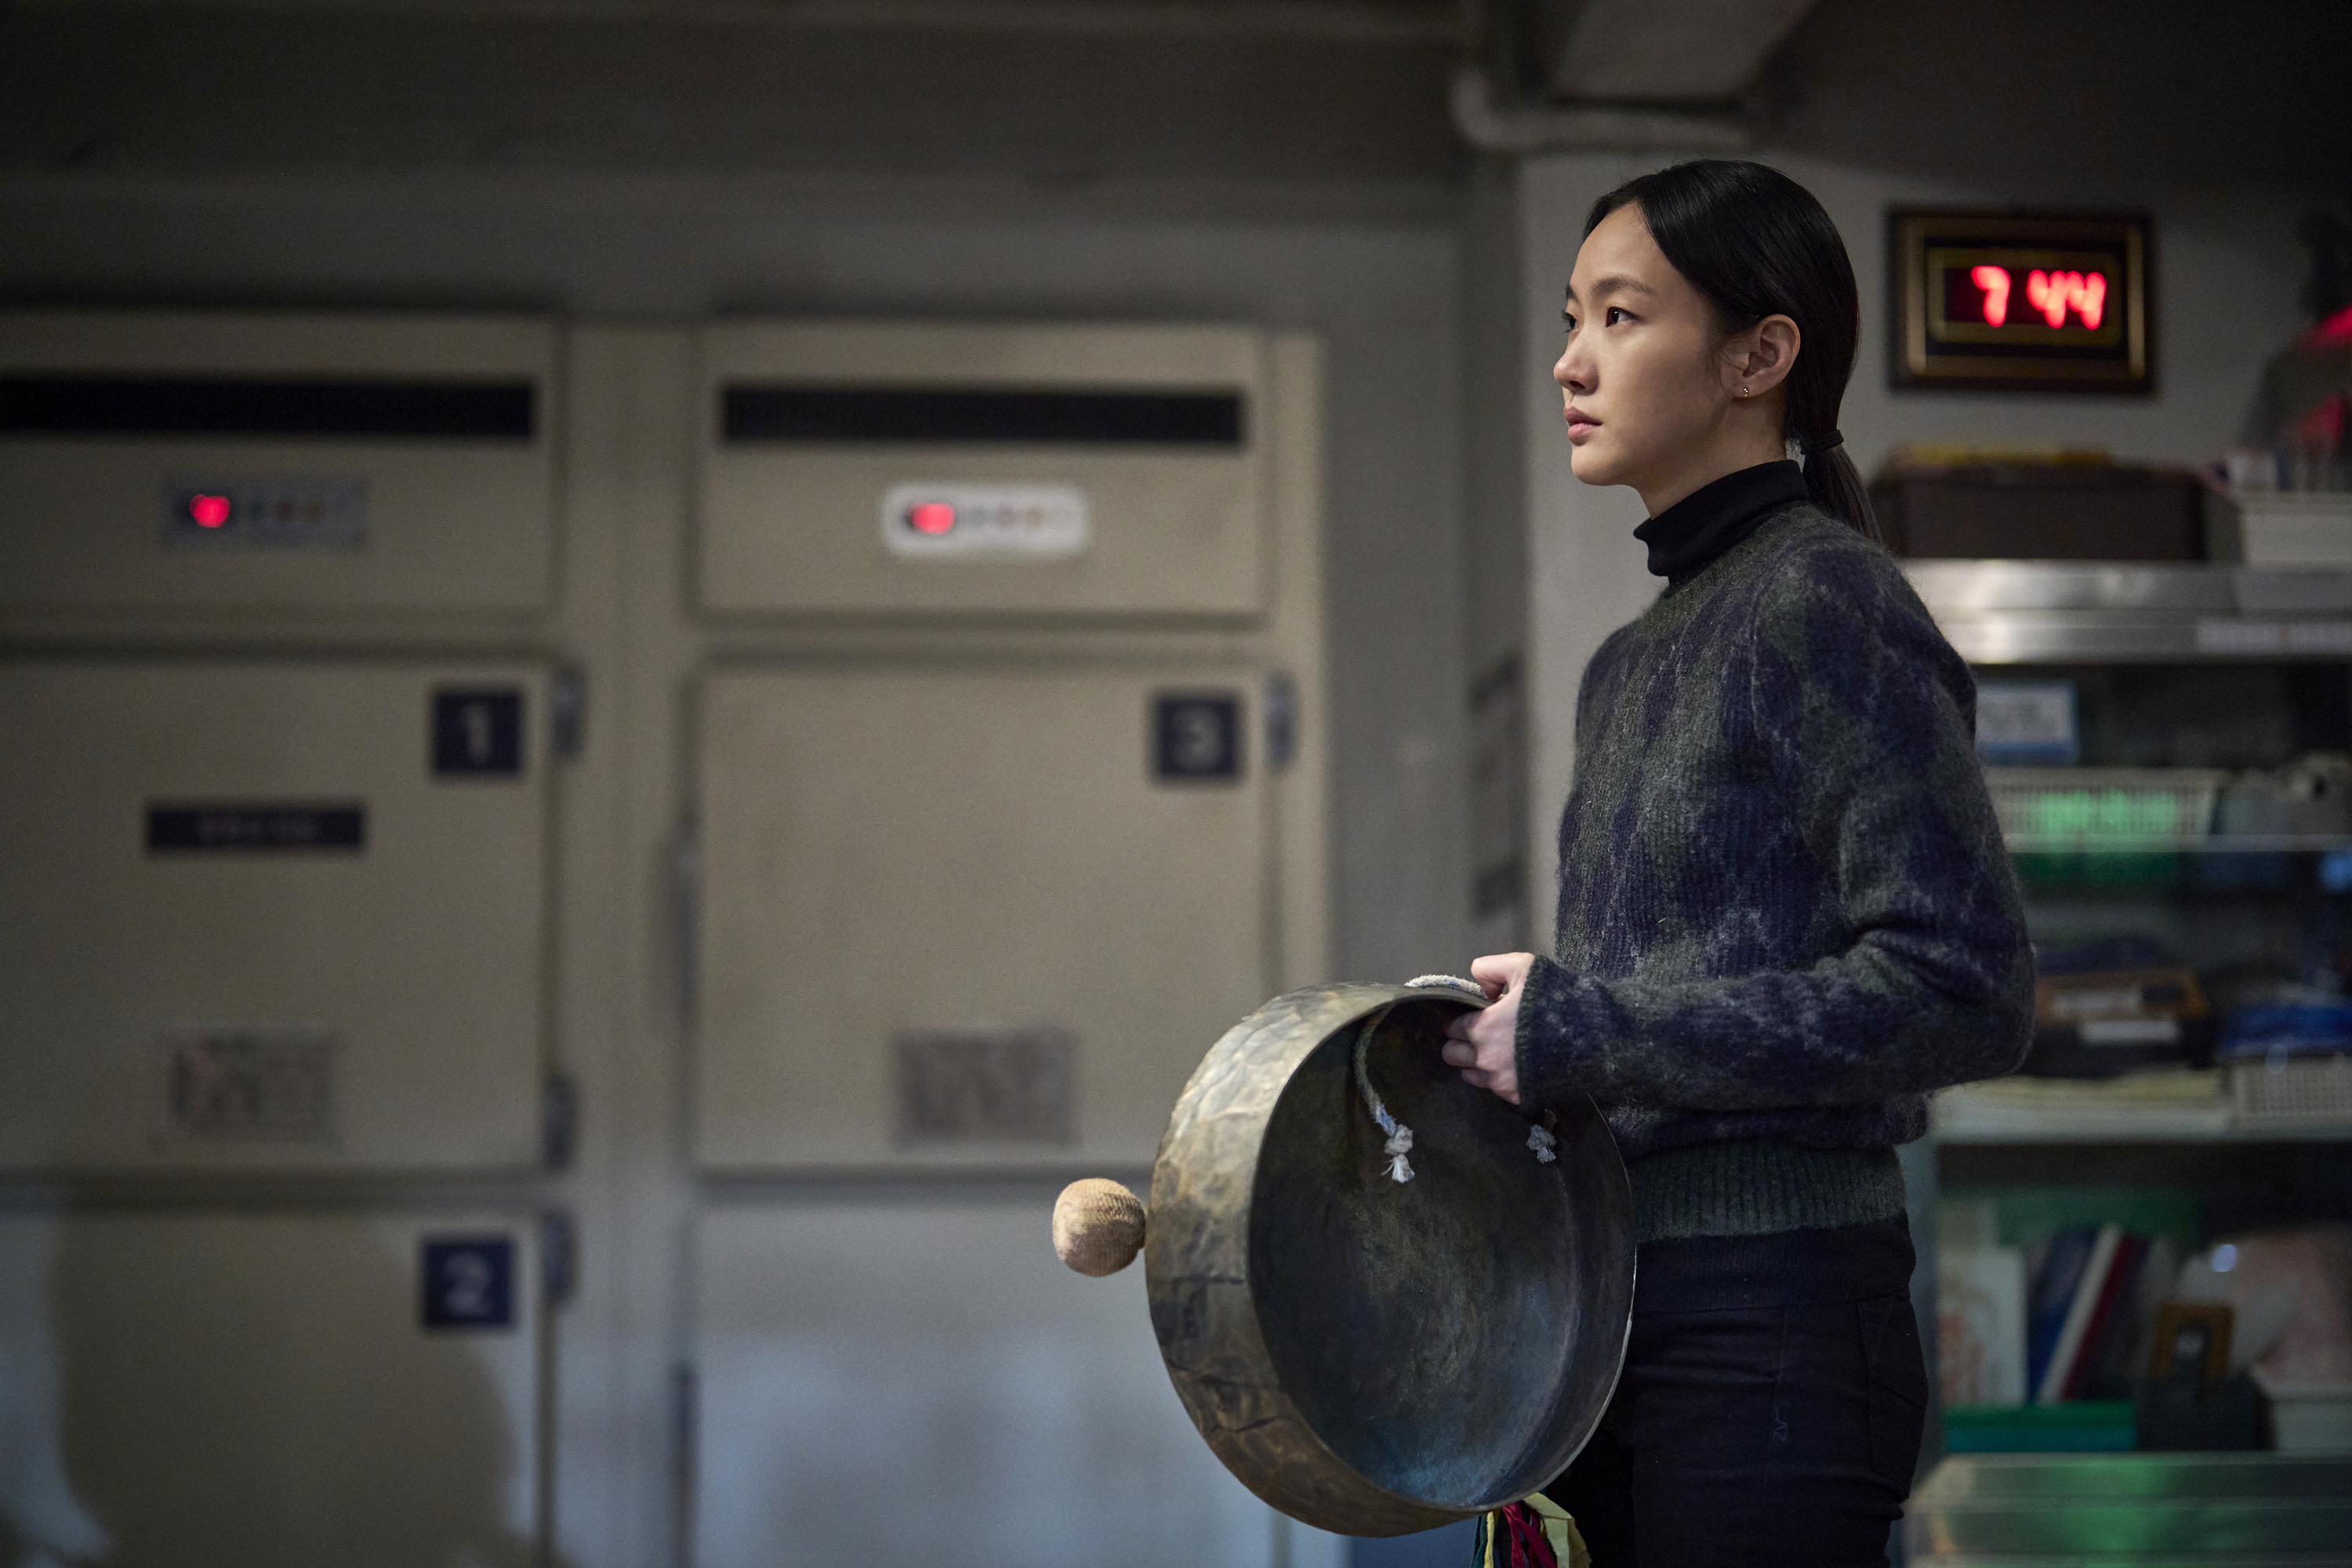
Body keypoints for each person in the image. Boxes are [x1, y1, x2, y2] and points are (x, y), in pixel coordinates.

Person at [1441, 160, 2034, 1567]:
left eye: (1621, 316)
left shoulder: (1822, 597)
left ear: (1759, 357)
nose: (1569, 361)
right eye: (1572, 318)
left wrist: (1589, 1032)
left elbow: (1964, 987)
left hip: (1776, 1321)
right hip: (1612, 1307)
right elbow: (1664, 1008)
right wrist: (1522, 1047)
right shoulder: (1625, 663)